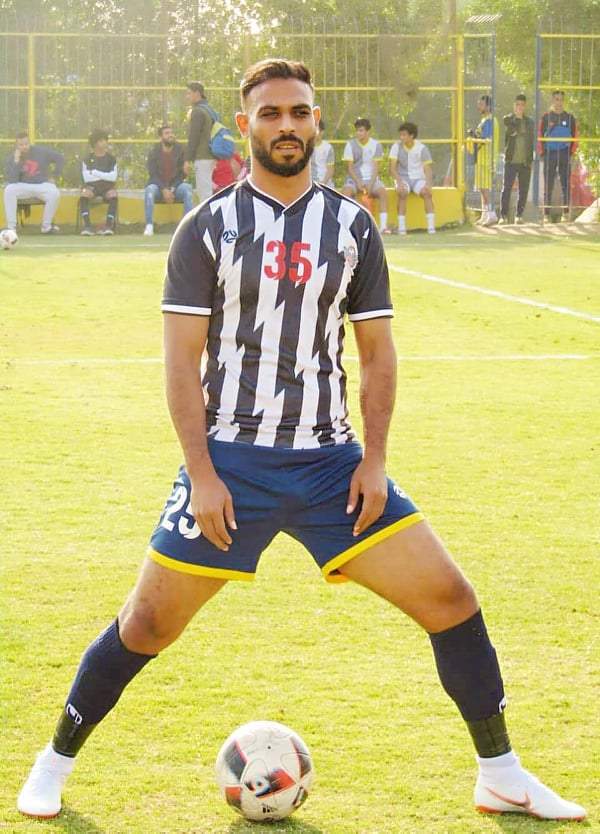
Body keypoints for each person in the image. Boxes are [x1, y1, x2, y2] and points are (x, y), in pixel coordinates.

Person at [17, 58, 586, 825]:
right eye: (271, 113)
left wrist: (374, 461)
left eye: (299, 112)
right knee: (146, 624)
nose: (286, 125)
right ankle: (52, 766)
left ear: (316, 122)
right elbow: (180, 363)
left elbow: (377, 355)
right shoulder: (207, 226)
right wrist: (202, 474)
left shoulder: (351, 226)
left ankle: (503, 776)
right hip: (232, 466)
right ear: (245, 125)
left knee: (451, 600)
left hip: (331, 468)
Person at [3, 132, 63, 234]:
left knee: (55, 193)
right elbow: (12, 180)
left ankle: (46, 227)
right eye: (21, 145)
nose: (24, 146)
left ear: (29, 143)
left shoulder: (41, 151)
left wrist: (54, 176)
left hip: (41, 185)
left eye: (26, 144)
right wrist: (16, 161)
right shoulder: (12, 158)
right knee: (9, 190)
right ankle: (11, 228)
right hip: (23, 186)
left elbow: (60, 158)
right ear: (16, 146)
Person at [144, 124, 194, 236]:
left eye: (171, 133)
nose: (170, 135)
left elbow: (181, 175)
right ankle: (149, 226)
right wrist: (164, 189)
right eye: (167, 133)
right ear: (161, 137)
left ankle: (187, 227)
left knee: (187, 189)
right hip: (158, 188)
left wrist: (172, 189)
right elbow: (153, 174)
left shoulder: (180, 150)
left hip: (175, 187)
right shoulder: (153, 152)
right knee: (149, 190)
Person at [342, 118, 389, 233]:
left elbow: (376, 168)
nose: (358, 133)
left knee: (383, 192)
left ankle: (383, 227)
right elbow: (350, 168)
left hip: (371, 180)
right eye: (357, 131)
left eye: (361, 130)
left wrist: (371, 184)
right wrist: (358, 182)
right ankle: (347, 227)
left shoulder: (376, 145)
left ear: (368, 132)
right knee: (346, 193)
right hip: (354, 179)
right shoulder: (350, 145)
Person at [388, 121, 435, 235]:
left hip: (419, 179)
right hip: (403, 178)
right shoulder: (396, 147)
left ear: (412, 135)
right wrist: (399, 182)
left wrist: (428, 185)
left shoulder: (422, 148)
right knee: (402, 192)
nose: (401, 137)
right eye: (400, 135)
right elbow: (392, 169)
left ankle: (431, 228)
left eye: (404, 135)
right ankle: (402, 228)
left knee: (427, 194)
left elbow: (428, 169)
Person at [538, 90, 578, 220]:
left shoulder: (570, 117)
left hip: (565, 153)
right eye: (556, 99)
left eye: (561, 99)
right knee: (548, 185)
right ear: (552, 100)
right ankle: (546, 214)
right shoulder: (546, 117)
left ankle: (565, 214)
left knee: (565, 184)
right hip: (550, 154)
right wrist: (542, 153)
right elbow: (539, 135)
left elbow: (575, 136)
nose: (559, 102)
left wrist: (571, 152)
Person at [499, 94, 535, 225]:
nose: (520, 107)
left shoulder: (529, 122)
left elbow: (531, 140)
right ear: (514, 106)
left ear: (525, 106)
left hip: (525, 161)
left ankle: (519, 215)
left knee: (523, 189)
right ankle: (503, 216)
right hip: (511, 161)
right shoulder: (509, 120)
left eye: (522, 105)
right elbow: (507, 122)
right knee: (507, 188)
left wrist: (531, 159)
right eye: (517, 104)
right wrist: (516, 129)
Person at [80, 129, 118, 236]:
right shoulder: (87, 159)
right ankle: (87, 226)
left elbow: (113, 177)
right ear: (95, 143)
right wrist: (105, 175)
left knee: (113, 194)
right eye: (101, 141)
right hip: (92, 187)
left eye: (105, 140)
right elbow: (87, 178)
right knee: (84, 194)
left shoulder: (111, 159)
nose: (105, 142)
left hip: (107, 187)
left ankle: (108, 226)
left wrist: (95, 172)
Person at [184, 81, 216, 204]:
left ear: (197, 93)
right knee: (207, 190)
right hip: (211, 154)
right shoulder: (209, 110)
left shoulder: (197, 111)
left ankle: (208, 216)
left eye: (189, 93)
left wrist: (187, 160)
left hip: (202, 156)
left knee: (204, 194)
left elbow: (194, 137)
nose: (187, 97)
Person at [471, 95, 500, 226]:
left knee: (485, 188)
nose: (479, 107)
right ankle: (485, 214)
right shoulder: (484, 120)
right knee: (482, 188)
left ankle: (492, 214)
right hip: (481, 157)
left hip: (486, 158)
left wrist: (473, 137)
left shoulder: (489, 120)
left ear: (488, 106)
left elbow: (484, 138)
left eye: (481, 104)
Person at [310, 119, 335, 186]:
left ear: (322, 132)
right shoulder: (305, 147)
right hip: (309, 183)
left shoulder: (328, 147)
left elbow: (330, 169)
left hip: (325, 183)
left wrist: (323, 183)